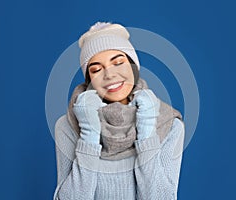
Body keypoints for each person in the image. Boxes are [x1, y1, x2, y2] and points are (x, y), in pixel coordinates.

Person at [53, 22, 185, 200]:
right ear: (89, 79)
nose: (109, 75)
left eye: (118, 63)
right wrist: (89, 135)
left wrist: (147, 132)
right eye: (97, 69)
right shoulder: (67, 125)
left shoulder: (169, 124)